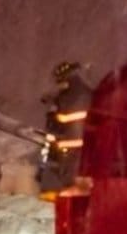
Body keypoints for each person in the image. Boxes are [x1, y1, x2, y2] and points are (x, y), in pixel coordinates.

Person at [39, 60, 93, 194]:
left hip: (72, 145)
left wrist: (53, 109)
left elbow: (63, 119)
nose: (58, 86)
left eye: (59, 82)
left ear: (64, 79)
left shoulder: (69, 97)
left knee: (70, 179)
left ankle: (70, 199)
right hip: (84, 144)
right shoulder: (84, 92)